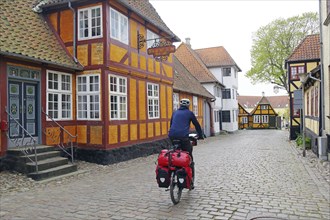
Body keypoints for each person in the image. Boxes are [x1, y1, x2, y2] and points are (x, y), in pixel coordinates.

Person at [168, 98, 204, 188]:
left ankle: (173, 169)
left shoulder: (175, 112)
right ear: (188, 106)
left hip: (172, 136)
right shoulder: (189, 113)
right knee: (189, 155)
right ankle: (190, 180)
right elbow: (196, 125)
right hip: (183, 137)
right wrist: (200, 135)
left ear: (180, 105)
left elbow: (171, 124)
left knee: (174, 153)